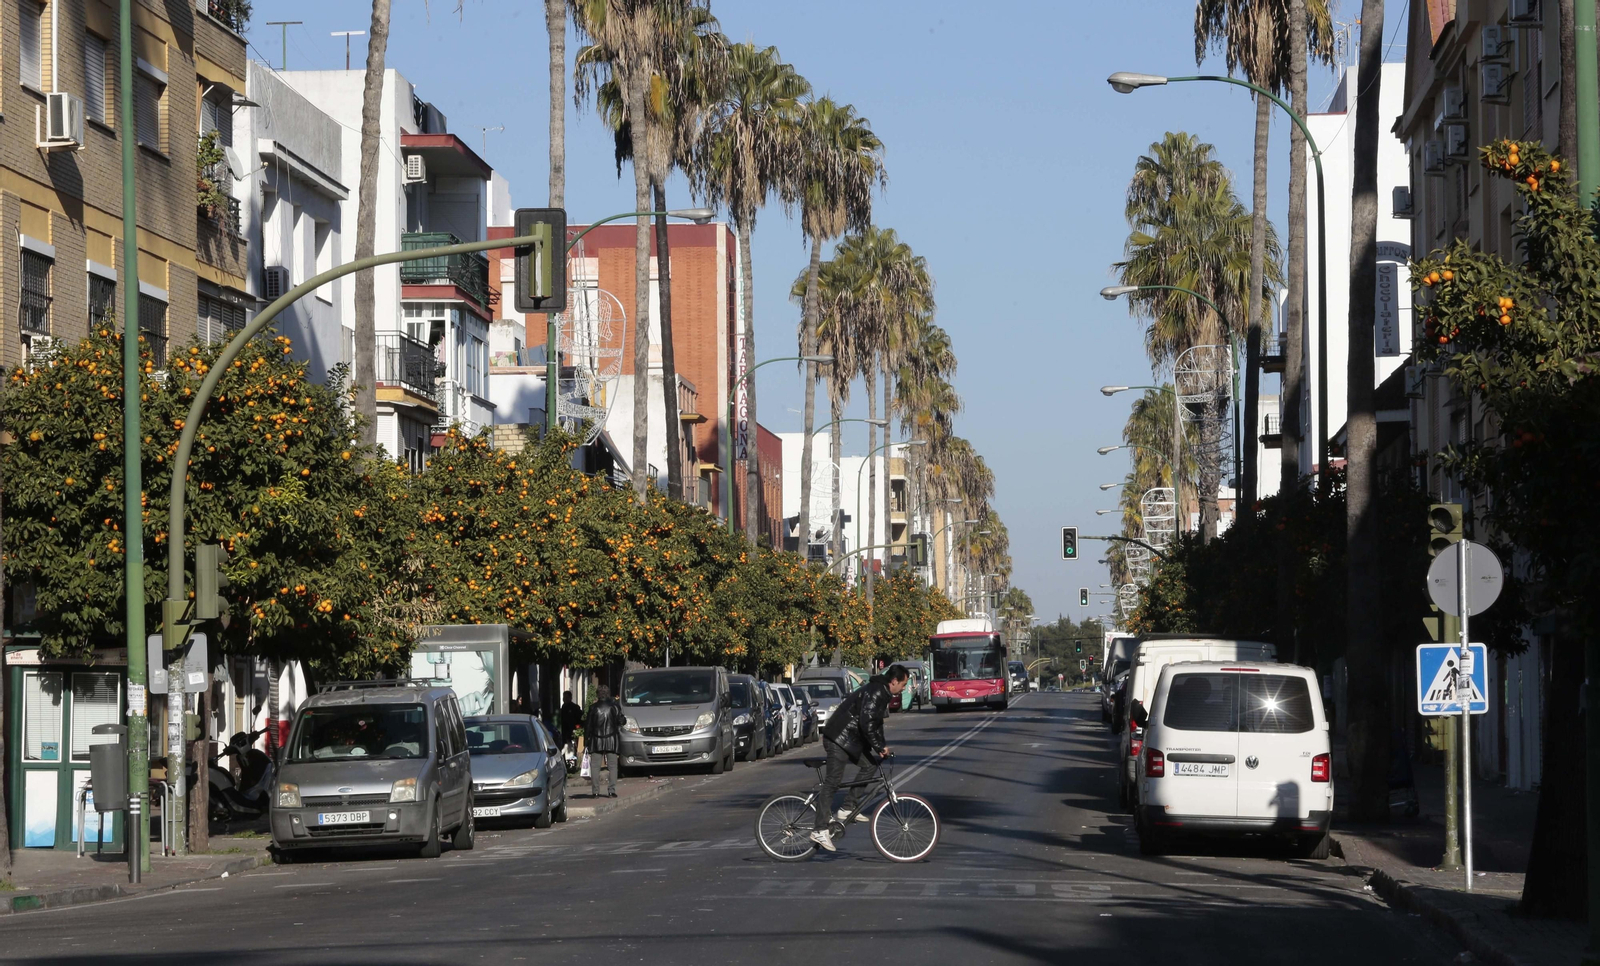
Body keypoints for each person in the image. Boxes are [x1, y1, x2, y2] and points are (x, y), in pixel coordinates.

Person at [810, 664, 908, 852]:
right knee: (833, 781)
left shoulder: (882, 692)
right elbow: (867, 721)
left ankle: (847, 807)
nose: (903, 688)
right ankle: (819, 829)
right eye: (903, 684)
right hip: (839, 738)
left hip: (849, 740)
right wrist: (879, 746)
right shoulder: (876, 692)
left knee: (870, 765)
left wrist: (881, 746)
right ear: (894, 681)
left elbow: (876, 725)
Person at [584, 685, 625, 798]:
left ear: (598, 694)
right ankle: (611, 790)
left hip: (596, 739)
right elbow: (622, 720)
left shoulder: (593, 708)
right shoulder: (614, 707)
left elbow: (588, 725)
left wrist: (586, 740)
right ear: (608, 694)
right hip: (611, 738)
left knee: (595, 766)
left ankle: (595, 791)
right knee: (612, 766)